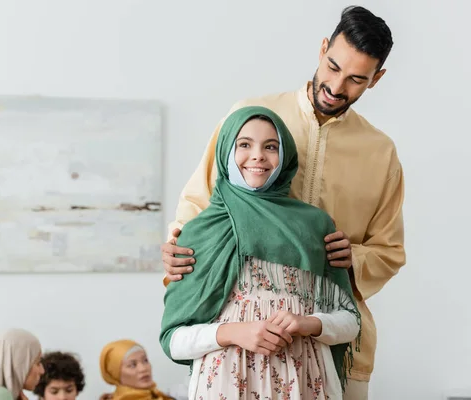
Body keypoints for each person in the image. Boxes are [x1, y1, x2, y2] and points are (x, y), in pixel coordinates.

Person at [161, 6, 405, 400]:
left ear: (376, 79)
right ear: (323, 48)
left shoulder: (380, 153)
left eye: (356, 79)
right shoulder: (254, 118)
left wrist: (352, 257)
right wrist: (180, 247)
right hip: (236, 350)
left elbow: (390, 251)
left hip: (329, 342)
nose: (336, 86)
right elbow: (200, 203)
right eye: (332, 66)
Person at [160, 106, 360, 399]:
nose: (258, 155)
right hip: (226, 385)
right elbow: (173, 339)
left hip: (305, 381)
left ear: (286, 156)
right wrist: (232, 332)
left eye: (271, 146)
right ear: (226, 150)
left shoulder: (316, 225)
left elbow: (350, 322)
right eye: (244, 144)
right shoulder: (199, 232)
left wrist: (308, 323)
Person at [99, 339, 175, 400]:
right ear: (115, 374)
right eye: (132, 365)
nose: (143, 369)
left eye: (145, 360)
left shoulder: (162, 396)